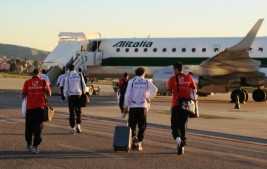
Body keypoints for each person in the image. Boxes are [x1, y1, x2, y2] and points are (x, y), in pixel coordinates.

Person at [124, 67, 158, 151]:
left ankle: (133, 137)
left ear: (136, 73)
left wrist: (126, 106)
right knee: (142, 126)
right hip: (143, 107)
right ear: (144, 73)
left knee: (132, 124)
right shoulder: (146, 82)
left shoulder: (131, 81)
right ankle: (139, 143)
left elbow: (127, 94)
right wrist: (149, 97)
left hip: (133, 106)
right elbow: (155, 89)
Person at [167, 62, 197, 155]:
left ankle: (179, 141)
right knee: (183, 126)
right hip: (186, 106)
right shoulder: (189, 78)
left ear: (176, 69)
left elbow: (168, 93)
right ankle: (182, 146)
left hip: (176, 105)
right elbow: (194, 90)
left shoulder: (172, 79)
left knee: (174, 126)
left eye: (173, 69)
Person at [21, 68, 51, 154]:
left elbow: (23, 95)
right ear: (39, 74)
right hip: (39, 108)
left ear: (32, 73)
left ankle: (29, 143)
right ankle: (35, 147)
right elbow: (49, 94)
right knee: (38, 127)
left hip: (29, 108)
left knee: (29, 127)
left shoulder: (27, 82)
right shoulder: (43, 82)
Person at [64, 65, 86, 134]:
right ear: (75, 69)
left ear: (69, 70)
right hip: (78, 95)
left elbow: (66, 88)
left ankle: (72, 127)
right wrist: (83, 93)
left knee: (72, 112)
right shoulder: (79, 75)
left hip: (71, 95)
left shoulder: (68, 76)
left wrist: (66, 96)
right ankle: (78, 125)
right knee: (78, 111)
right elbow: (83, 85)